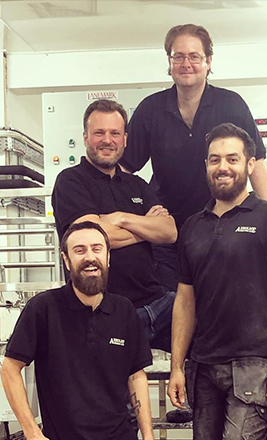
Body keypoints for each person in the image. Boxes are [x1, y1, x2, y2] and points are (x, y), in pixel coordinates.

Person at [167, 123, 267, 439]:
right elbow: (185, 301)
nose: (223, 167)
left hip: (253, 367)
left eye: (232, 159)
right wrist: (177, 366)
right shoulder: (192, 227)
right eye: (214, 159)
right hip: (202, 366)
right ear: (206, 165)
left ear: (249, 164)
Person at [120, 23, 267, 293]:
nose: (186, 63)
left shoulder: (232, 105)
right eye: (178, 56)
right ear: (169, 63)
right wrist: (134, 214)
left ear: (208, 62)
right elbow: (124, 170)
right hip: (170, 238)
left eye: (194, 56)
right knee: (174, 311)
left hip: (227, 229)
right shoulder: (150, 110)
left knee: (224, 307)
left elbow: (256, 163)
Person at [1, 221, 155, 440]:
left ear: (108, 257)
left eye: (96, 248)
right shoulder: (43, 308)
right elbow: (9, 370)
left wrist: (148, 435)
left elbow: (136, 376)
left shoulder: (124, 309)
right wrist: (32, 431)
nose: (90, 257)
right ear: (66, 260)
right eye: (79, 250)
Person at [52, 99, 177, 351]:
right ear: (86, 137)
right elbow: (93, 239)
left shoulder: (137, 185)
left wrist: (120, 217)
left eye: (115, 133)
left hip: (158, 305)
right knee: (113, 386)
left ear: (125, 139)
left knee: (205, 324)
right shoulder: (70, 181)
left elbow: (169, 231)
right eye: (99, 133)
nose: (107, 140)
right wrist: (145, 230)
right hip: (107, 310)